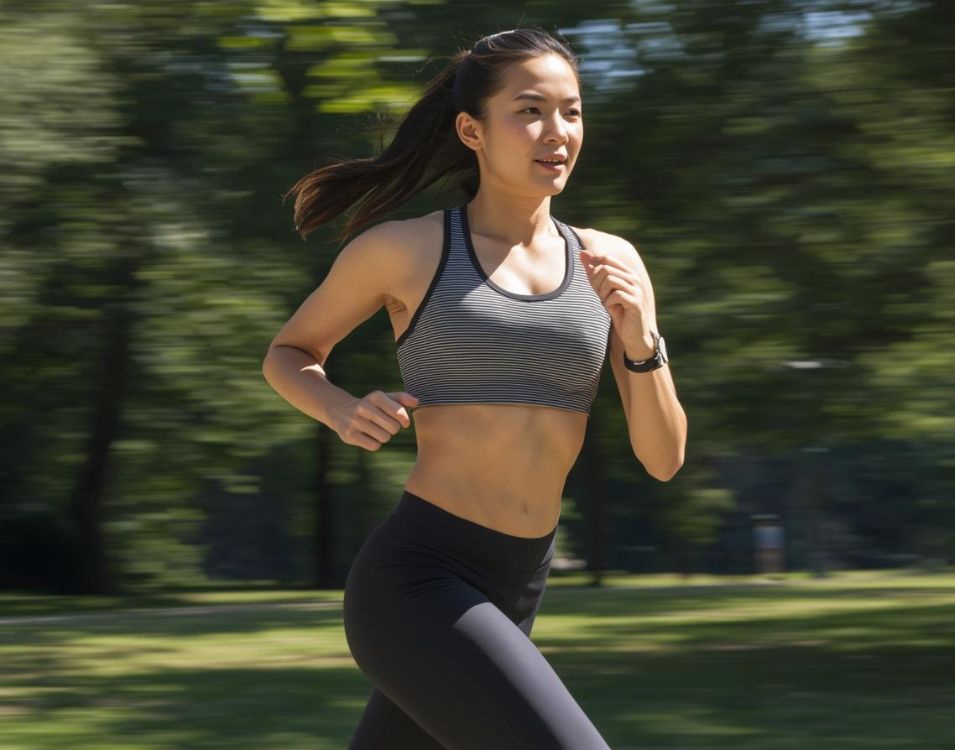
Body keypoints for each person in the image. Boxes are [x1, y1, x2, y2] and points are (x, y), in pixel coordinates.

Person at [263, 25, 687, 750]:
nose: (556, 132)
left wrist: (642, 340)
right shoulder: (410, 249)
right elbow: (290, 352)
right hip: (420, 578)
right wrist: (339, 409)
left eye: (572, 110)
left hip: (519, 581)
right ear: (472, 129)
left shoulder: (611, 262)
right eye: (529, 110)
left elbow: (663, 457)